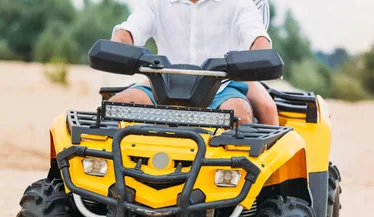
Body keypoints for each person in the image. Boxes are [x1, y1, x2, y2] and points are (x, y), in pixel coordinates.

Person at [110, 0, 279, 125]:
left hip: (222, 87)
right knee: (116, 106)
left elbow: (256, 35)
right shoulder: (156, 3)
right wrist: (119, 42)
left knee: (244, 112)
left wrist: (260, 53)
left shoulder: (239, 4)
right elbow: (130, 30)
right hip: (163, 85)